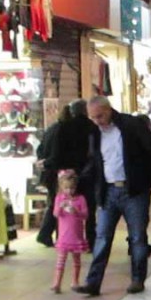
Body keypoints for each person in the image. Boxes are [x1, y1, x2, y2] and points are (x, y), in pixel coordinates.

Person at [81, 96, 151, 296]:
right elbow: (94, 161)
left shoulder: (130, 125)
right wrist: (78, 180)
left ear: (109, 110)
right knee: (102, 237)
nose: (97, 121)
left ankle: (138, 279)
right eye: (93, 118)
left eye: (100, 116)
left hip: (134, 191)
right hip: (108, 191)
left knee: (137, 237)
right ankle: (93, 283)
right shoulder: (95, 132)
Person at [42, 100, 98, 249]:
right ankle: (91, 240)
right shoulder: (92, 128)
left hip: (66, 175)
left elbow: (57, 152)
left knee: (64, 204)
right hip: (87, 173)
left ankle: (64, 239)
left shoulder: (63, 127)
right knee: (89, 209)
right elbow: (94, 153)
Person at [35, 104, 72, 247]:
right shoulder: (64, 131)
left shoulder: (51, 129)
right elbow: (59, 154)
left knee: (53, 203)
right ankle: (48, 234)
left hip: (48, 172)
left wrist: (43, 163)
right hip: (58, 172)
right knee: (57, 203)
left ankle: (49, 234)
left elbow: (40, 149)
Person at [51, 170, 89, 294]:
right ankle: (57, 283)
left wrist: (76, 211)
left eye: (71, 188)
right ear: (61, 187)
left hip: (76, 236)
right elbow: (56, 214)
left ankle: (75, 281)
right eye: (66, 188)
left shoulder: (81, 199)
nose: (69, 191)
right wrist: (60, 207)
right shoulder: (59, 198)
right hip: (63, 236)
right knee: (60, 260)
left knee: (76, 260)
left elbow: (85, 215)